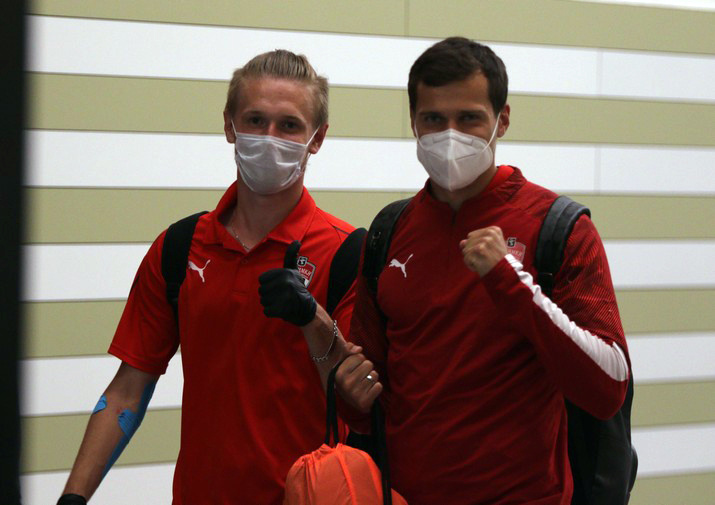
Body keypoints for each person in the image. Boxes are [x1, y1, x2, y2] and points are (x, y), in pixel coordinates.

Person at [335, 37, 631, 505]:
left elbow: (609, 387)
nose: (450, 134)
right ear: (413, 122)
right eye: (434, 119)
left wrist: (512, 284)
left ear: (502, 120)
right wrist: (346, 388)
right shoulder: (389, 231)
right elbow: (366, 402)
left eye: (469, 118)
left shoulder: (558, 227)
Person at [57, 50, 359, 505]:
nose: (269, 138)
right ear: (229, 126)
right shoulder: (179, 248)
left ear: (317, 139)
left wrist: (312, 319)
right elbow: (126, 392)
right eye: (255, 120)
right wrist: (73, 497)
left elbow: (358, 402)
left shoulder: (346, 253)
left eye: (289, 125)